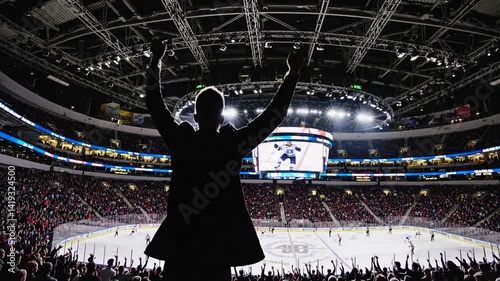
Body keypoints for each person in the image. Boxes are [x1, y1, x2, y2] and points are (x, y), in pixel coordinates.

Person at [143, 38, 304, 281]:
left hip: (180, 248)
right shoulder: (234, 145)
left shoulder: (181, 141)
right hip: (218, 252)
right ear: (221, 118)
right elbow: (275, 115)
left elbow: (154, 104)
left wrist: (156, 60)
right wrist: (292, 74)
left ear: (195, 116)